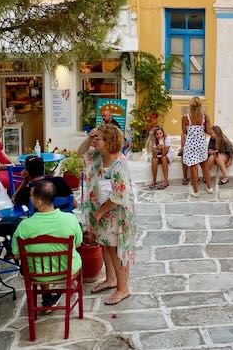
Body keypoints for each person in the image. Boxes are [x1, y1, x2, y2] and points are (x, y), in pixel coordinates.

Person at [80, 124, 135, 304]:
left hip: (115, 214)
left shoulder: (119, 164)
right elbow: (79, 153)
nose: (95, 140)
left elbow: (119, 195)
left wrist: (99, 212)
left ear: (109, 141)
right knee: (105, 245)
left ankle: (123, 289)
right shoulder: (98, 157)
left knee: (117, 249)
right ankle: (111, 280)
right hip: (102, 213)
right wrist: (89, 138)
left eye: (99, 138)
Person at [12, 180, 82, 309]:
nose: (30, 199)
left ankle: (46, 296)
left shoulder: (24, 226)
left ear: (38, 201)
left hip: (35, 273)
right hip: (67, 270)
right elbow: (77, 244)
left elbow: (16, 255)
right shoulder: (70, 219)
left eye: (31, 196)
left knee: (37, 262)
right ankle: (48, 298)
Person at [181, 96, 214, 197]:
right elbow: (208, 132)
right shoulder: (205, 117)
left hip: (191, 145)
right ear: (200, 106)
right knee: (204, 167)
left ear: (190, 106)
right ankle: (209, 188)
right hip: (201, 145)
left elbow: (184, 131)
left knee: (193, 168)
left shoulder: (185, 118)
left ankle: (195, 191)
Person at [146, 126, 170, 190]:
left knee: (163, 158)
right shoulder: (153, 141)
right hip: (157, 156)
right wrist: (156, 148)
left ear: (163, 133)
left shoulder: (167, 138)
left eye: (160, 133)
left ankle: (166, 181)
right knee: (154, 159)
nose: (159, 135)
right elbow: (154, 155)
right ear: (155, 135)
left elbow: (165, 153)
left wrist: (162, 146)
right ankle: (154, 181)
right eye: (157, 134)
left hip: (166, 155)